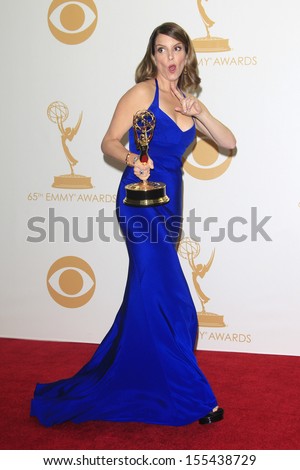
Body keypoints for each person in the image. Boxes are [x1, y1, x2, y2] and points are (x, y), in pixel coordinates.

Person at [30, 22, 236, 427]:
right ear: (153, 55)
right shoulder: (143, 93)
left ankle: (126, 378)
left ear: (187, 54)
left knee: (146, 298)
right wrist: (131, 159)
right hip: (139, 203)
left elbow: (229, 143)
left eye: (177, 49)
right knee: (169, 298)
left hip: (171, 205)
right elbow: (109, 140)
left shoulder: (188, 102)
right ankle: (196, 398)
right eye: (161, 50)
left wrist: (202, 112)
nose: (170, 58)